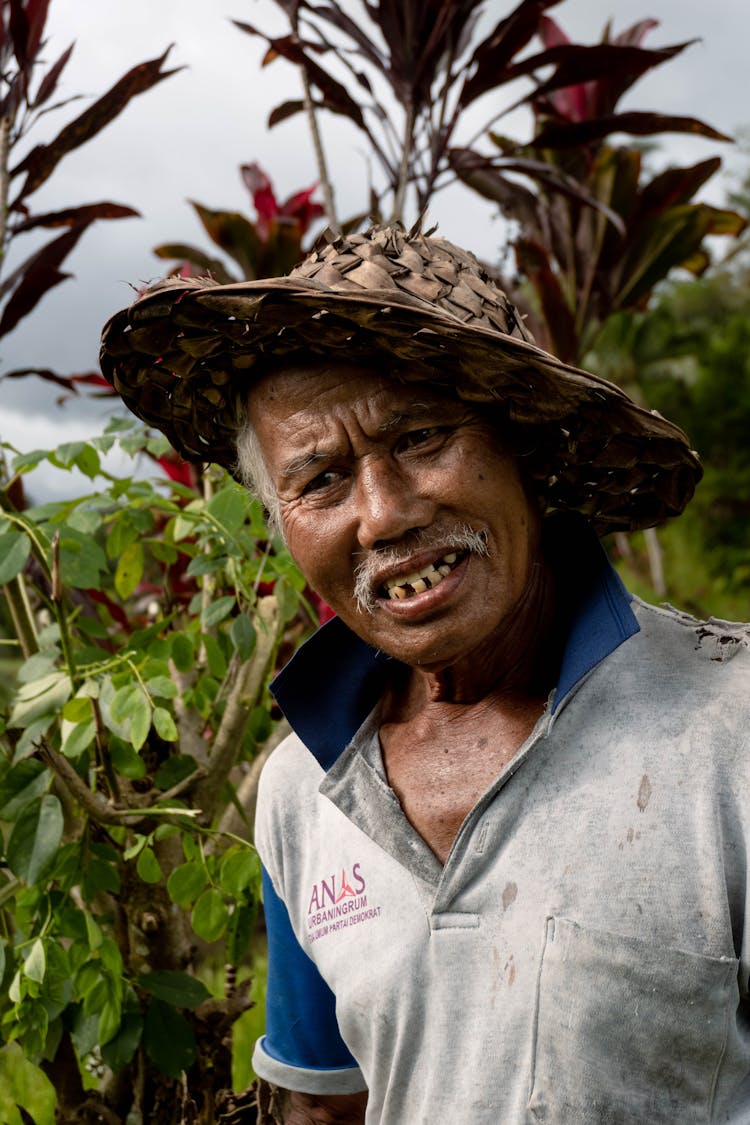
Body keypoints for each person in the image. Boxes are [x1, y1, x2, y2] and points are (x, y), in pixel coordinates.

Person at [101, 223, 750, 1124]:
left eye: (420, 437)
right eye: (321, 479)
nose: (383, 515)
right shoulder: (303, 790)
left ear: (522, 446)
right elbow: (324, 1105)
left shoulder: (731, 726)